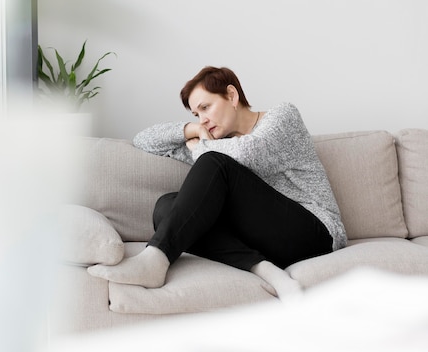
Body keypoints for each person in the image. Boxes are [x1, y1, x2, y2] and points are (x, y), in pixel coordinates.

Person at [87, 66, 346, 300]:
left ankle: (156, 258)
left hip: (316, 232)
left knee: (214, 161)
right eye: (196, 113)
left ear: (232, 96)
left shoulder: (282, 117)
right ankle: (265, 269)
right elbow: (144, 140)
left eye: (206, 107)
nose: (203, 120)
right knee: (166, 207)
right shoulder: (212, 143)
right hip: (267, 241)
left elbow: (249, 151)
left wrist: (203, 148)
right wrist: (191, 129)